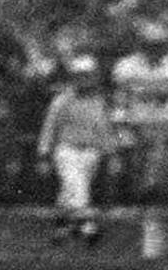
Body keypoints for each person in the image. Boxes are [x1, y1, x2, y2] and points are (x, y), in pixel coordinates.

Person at [110, 17, 168, 261]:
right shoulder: (127, 67)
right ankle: (135, 213)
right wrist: (122, 129)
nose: (155, 49)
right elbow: (119, 101)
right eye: (150, 44)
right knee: (134, 172)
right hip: (138, 126)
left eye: (159, 44)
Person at [35, 54, 113, 248]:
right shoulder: (62, 100)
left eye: (88, 75)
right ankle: (89, 227)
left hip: (91, 153)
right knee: (77, 187)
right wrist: (44, 153)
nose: (84, 79)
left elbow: (105, 128)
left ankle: (62, 229)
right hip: (67, 150)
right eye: (80, 75)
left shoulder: (98, 101)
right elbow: (49, 126)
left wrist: (112, 152)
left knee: (69, 192)